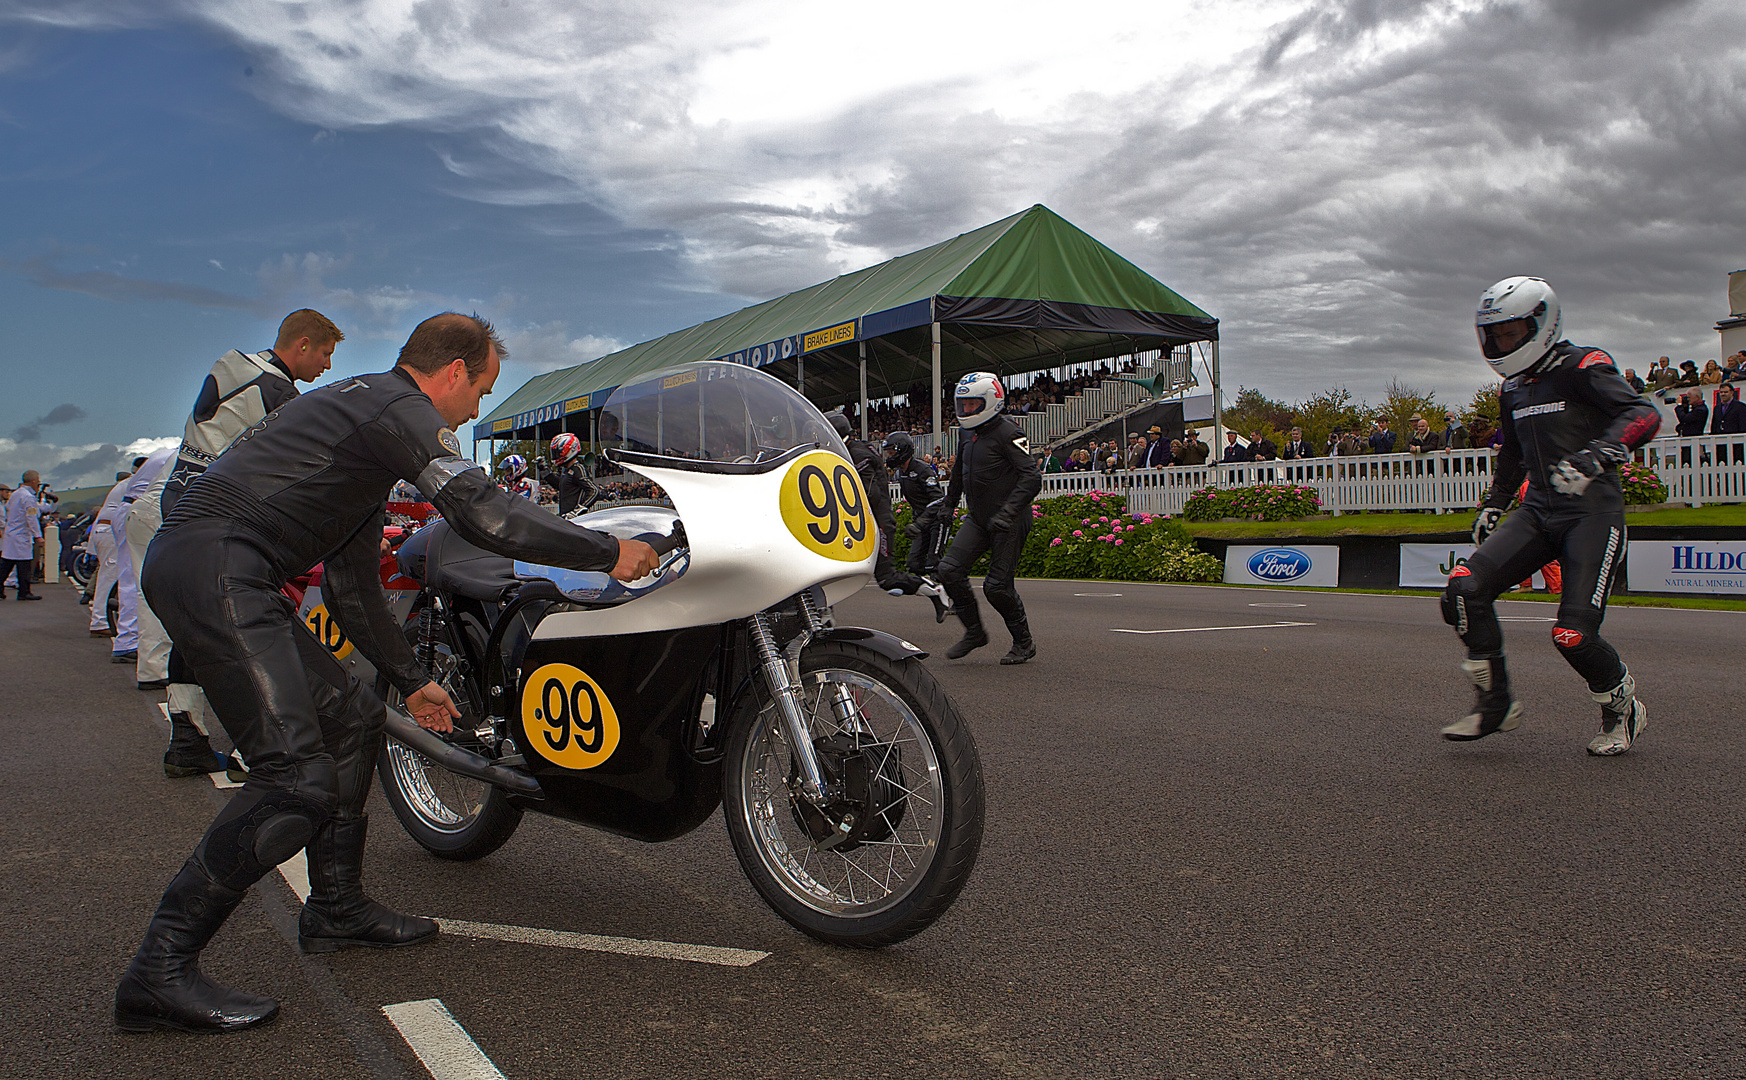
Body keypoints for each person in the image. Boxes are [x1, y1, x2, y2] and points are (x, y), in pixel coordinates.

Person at [115, 312, 659, 1034]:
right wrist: (601, 552)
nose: (475, 412)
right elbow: (481, 511)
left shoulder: (362, 430)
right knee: (292, 781)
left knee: (352, 717)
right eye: (480, 392)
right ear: (454, 371)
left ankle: (336, 905)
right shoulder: (398, 405)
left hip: (212, 565)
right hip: (215, 567)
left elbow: (350, 588)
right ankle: (158, 970)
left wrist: (407, 680)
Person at [1441, 276, 1659, 755]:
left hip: (1592, 515)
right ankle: (1495, 704)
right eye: (1493, 335)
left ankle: (1623, 709)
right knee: (1463, 591)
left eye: (1510, 333)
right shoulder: (1512, 387)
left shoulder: (1585, 365)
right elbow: (1512, 454)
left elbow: (1643, 414)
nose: (1501, 344)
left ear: (1543, 321)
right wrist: (1495, 502)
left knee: (1573, 635)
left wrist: (1600, 453)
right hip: (1537, 511)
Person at [135, 309, 341, 778]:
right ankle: (261, 748)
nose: (326, 366)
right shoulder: (281, 394)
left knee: (193, 625)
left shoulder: (234, 363)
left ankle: (187, 737)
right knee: (245, 626)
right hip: (216, 513)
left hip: (178, 496)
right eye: (326, 354)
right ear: (303, 345)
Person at [910, 372, 1041, 664]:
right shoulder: (966, 433)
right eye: (963, 404)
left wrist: (1008, 512)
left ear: (991, 401)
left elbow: (1032, 477)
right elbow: (959, 471)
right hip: (979, 519)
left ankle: (1024, 642)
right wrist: (949, 505)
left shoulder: (1010, 432)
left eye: (972, 404)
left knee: (997, 587)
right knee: (949, 571)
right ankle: (975, 633)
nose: (966, 410)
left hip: (1010, 520)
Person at [829, 413, 947, 617]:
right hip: (868, 521)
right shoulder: (854, 450)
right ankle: (822, 614)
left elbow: (864, 492)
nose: (889, 456)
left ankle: (940, 593)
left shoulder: (859, 454)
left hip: (885, 521)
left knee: (889, 578)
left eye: (893, 452)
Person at [885, 431, 952, 623]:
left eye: (891, 452)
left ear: (903, 451)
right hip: (921, 521)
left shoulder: (922, 470)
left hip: (938, 519)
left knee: (934, 562)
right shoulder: (901, 473)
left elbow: (938, 499)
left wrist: (922, 522)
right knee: (914, 564)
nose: (889, 456)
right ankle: (939, 594)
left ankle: (952, 599)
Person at [90, 465, 141, 656]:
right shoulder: (133, 483)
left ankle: (100, 619)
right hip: (112, 530)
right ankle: (100, 621)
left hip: (105, 529)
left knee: (107, 576)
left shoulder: (125, 483)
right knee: (110, 577)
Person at [0, 471, 46, 601]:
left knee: (7, 563)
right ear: (33, 481)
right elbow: (31, 517)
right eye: (38, 481)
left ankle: (1, 589)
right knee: (24, 564)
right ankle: (24, 591)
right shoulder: (28, 497)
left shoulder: (15, 494)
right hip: (21, 534)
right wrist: (38, 536)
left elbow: (8, 507)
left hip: (11, 533)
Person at [548, 433, 598, 515]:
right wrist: (545, 471)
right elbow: (561, 485)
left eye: (558, 452)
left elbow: (594, 491)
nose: (556, 456)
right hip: (566, 518)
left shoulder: (578, 469)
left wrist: (578, 510)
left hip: (575, 521)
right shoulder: (567, 470)